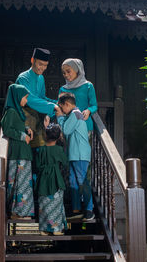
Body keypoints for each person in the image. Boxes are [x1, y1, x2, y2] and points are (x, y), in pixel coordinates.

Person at [56, 93, 95, 221]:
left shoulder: (75, 114)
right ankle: (76, 209)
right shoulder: (74, 115)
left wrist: (60, 118)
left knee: (82, 181)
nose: (62, 111)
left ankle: (89, 210)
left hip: (80, 154)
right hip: (74, 154)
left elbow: (66, 130)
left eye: (62, 108)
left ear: (67, 104)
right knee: (73, 182)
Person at [1, 84, 34, 219]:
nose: (26, 101)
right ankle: (17, 212)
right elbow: (7, 129)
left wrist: (26, 129)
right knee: (18, 183)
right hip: (17, 153)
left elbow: (17, 126)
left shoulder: (17, 111)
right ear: (17, 97)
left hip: (23, 152)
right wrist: (22, 136)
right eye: (24, 97)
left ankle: (22, 212)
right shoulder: (11, 111)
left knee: (24, 183)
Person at [16, 47, 60, 149]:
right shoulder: (23, 78)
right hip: (24, 118)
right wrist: (53, 106)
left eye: (45, 65)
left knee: (40, 150)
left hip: (36, 118)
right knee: (25, 151)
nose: (42, 68)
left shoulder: (41, 78)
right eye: (40, 64)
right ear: (32, 60)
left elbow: (41, 98)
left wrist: (57, 104)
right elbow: (29, 99)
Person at [35, 124, 68, 235]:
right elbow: (65, 162)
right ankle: (56, 229)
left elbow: (37, 166)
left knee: (43, 204)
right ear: (58, 137)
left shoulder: (40, 150)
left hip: (43, 180)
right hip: (56, 178)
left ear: (45, 135)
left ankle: (44, 229)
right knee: (56, 203)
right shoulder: (58, 149)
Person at [59, 58, 98, 133]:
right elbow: (59, 107)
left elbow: (94, 106)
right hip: (68, 126)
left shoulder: (88, 86)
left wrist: (89, 110)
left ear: (76, 70)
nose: (66, 75)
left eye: (68, 71)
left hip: (85, 125)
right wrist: (48, 115)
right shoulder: (63, 89)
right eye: (64, 73)